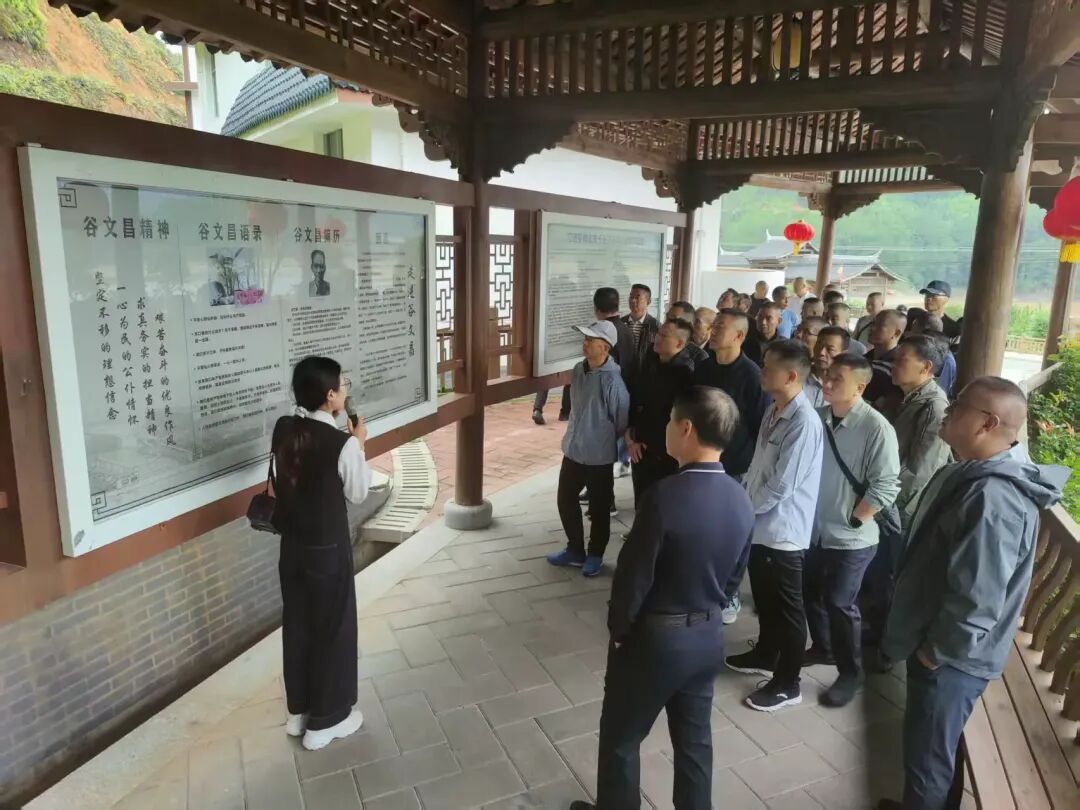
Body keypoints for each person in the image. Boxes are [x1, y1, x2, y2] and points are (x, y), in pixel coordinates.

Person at [878, 377, 1067, 810]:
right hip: (952, 650)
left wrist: (935, 652)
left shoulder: (994, 497)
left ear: (988, 423)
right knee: (935, 748)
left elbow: (977, 599)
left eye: (959, 405)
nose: (948, 409)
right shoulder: (975, 471)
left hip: (953, 658)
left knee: (926, 761)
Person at [574, 387, 754, 810]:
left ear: (686, 428)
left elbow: (633, 578)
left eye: (671, 420)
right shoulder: (741, 498)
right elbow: (734, 578)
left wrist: (619, 632)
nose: (666, 428)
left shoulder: (664, 497)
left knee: (621, 738)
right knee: (694, 743)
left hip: (655, 641)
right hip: (706, 636)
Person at [272, 356, 371, 750]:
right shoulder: (342, 444)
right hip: (327, 548)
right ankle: (328, 721)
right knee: (333, 626)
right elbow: (358, 493)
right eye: (342, 385)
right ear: (330, 396)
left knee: (298, 624)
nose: (345, 390)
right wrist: (359, 444)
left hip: (292, 546)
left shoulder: (284, 428)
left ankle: (299, 713)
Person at [727, 340, 823, 712]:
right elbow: (758, 469)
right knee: (765, 598)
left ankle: (788, 683)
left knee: (788, 610)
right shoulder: (774, 409)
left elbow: (782, 485)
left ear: (791, 376)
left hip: (783, 532)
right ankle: (766, 653)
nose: (762, 371)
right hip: (760, 525)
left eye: (768, 367)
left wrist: (744, 511)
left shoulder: (804, 422)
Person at [806, 354, 900, 707]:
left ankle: (851, 672)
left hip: (852, 538)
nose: (827, 384)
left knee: (840, 603)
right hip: (814, 530)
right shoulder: (818, 417)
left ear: (860, 388)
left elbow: (886, 485)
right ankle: (823, 647)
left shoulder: (876, 428)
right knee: (810, 594)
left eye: (837, 380)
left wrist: (856, 518)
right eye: (827, 376)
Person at [860, 335, 952, 656]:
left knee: (891, 575)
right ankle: (876, 630)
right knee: (880, 572)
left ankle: (886, 645)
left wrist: (882, 504)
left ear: (926, 368)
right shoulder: (906, 397)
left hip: (902, 509)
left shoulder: (934, 406)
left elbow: (919, 472)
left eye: (902, 360)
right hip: (888, 500)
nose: (894, 365)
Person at [548, 321, 630, 578]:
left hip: (599, 456)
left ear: (605, 348)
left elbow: (621, 420)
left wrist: (607, 443)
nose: (584, 344)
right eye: (584, 339)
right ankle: (575, 549)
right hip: (573, 450)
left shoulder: (613, 381)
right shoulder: (578, 370)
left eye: (590, 341)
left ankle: (595, 554)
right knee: (565, 499)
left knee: (599, 507)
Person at [691, 310, 770, 484]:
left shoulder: (753, 377)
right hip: (701, 461)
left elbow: (761, 427)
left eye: (720, 327)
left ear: (739, 335)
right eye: (713, 326)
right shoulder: (703, 368)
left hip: (734, 469)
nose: (713, 331)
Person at [626, 318, 696, 504]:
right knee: (642, 504)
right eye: (658, 333)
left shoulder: (685, 374)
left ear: (679, 343)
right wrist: (631, 437)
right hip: (641, 449)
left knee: (662, 506)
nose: (656, 338)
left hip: (666, 454)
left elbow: (678, 419)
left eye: (664, 336)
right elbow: (638, 400)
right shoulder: (651, 361)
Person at [863, 309, 907, 415]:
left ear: (896, 333)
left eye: (879, 325)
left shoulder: (898, 367)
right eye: (873, 323)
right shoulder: (864, 359)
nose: (872, 328)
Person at [909, 311, 957, 397]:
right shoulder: (923, 351)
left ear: (925, 331)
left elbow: (938, 392)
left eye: (914, 330)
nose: (910, 334)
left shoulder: (945, 359)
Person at [621, 283, 660, 381]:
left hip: (645, 377)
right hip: (622, 374)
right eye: (631, 297)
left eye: (637, 298)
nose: (633, 300)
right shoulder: (621, 323)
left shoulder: (656, 326)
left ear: (648, 301)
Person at [806, 325, 849, 408]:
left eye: (830, 349)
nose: (821, 352)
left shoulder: (847, 387)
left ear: (843, 354)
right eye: (819, 346)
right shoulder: (798, 376)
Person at [920, 279, 962, 344]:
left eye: (934, 295)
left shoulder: (954, 329)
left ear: (946, 299)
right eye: (927, 295)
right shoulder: (916, 319)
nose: (929, 298)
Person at [748, 302, 783, 367]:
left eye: (768, 318)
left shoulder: (784, 346)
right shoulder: (745, 341)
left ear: (779, 321)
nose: (763, 322)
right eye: (760, 317)